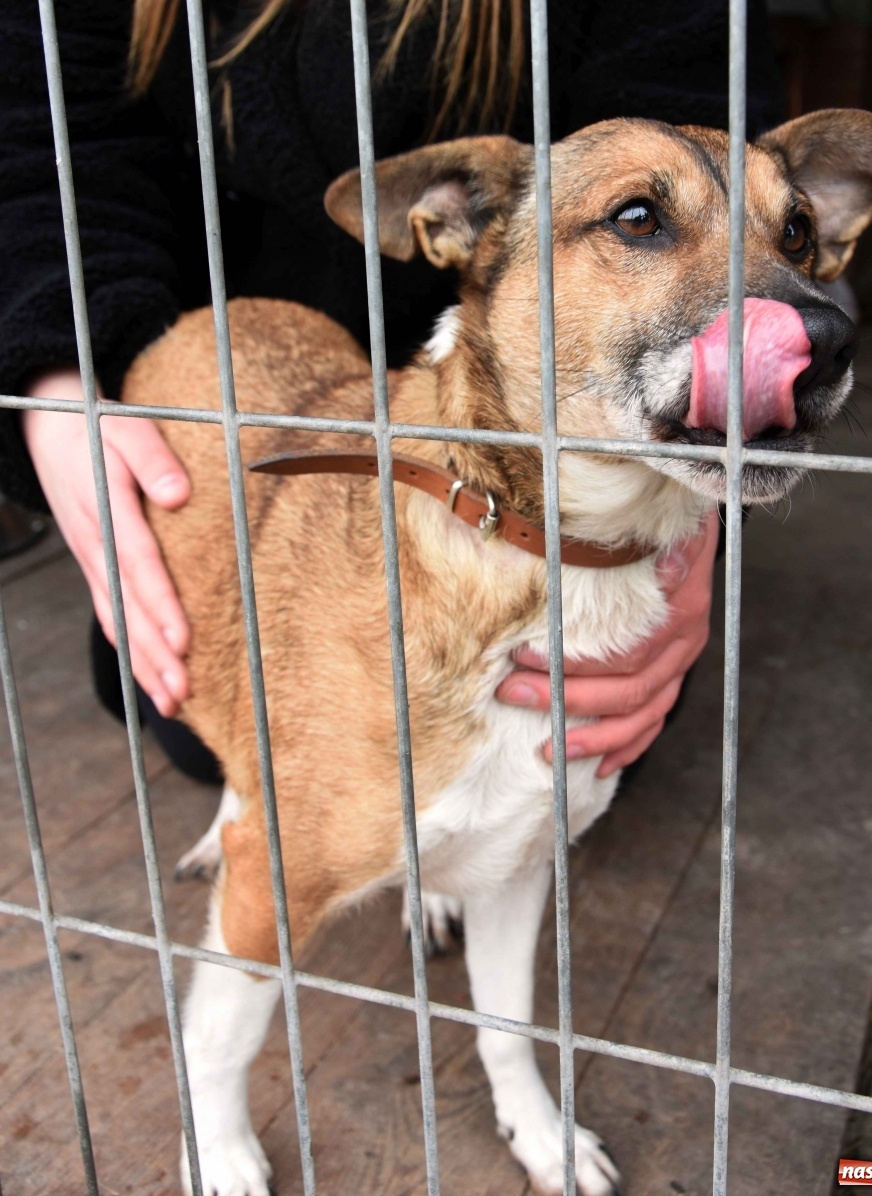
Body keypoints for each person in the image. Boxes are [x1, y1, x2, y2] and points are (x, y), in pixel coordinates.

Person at [0, 0, 782, 781]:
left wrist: (689, 511)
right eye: (639, 217)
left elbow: (702, 148)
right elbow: (44, 141)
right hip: (222, 389)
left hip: (529, 413)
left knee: (573, 738)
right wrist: (59, 380)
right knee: (202, 728)